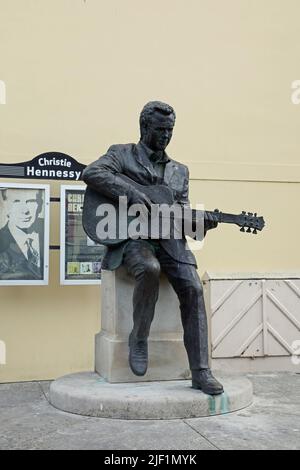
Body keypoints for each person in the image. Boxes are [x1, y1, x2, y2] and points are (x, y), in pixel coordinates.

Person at [82, 101, 224, 395]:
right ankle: (139, 338)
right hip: (134, 239)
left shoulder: (179, 172)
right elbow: (92, 173)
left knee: (194, 289)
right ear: (144, 127)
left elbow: (182, 216)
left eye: (170, 130)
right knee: (149, 267)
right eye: (160, 130)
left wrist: (202, 222)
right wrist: (131, 193)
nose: (166, 136)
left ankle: (200, 371)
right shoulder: (122, 155)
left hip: (171, 241)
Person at [0, 188, 44, 280]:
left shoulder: (48, 230)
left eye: (31, 201)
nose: (25, 211)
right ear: (5, 205)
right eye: (16, 202)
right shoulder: (2, 239)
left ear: (40, 205)